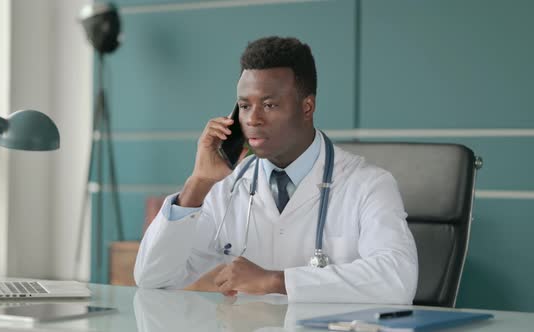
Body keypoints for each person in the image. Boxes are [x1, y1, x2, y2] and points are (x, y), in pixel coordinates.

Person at [134, 36, 418, 303]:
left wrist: (276, 281)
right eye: (245, 106)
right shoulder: (229, 186)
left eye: (269, 105)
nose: (253, 119)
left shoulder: (368, 184)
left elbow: (398, 279)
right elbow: (153, 279)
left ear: (307, 107)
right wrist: (197, 184)